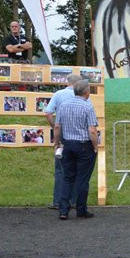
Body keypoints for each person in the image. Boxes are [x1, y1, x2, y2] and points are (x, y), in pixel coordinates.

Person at [54, 79, 99, 220]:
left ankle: (63, 210)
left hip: (67, 145)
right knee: (82, 179)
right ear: (87, 92)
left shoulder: (63, 105)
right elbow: (92, 130)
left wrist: (57, 143)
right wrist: (95, 145)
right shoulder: (88, 106)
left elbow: (57, 126)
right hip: (84, 145)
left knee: (68, 177)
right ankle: (81, 209)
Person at [44, 73, 83, 209]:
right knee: (76, 169)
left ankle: (58, 201)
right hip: (79, 137)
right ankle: (73, 201)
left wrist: (55, 127)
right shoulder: (81, 96)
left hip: (62, 136)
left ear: (68, 82)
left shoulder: (59, 94)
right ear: (78, 84)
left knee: (60, 170)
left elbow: (48, 113)